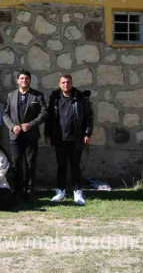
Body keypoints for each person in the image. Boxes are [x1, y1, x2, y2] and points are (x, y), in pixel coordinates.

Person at [45, 74, 93, 206]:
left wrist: (87, 133)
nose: (66, 85)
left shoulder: (80, 98)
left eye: (68, 82)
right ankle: (60, 191)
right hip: (59, 138)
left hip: (76, 138)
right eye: (63, 83)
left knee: (75, 166)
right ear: (59, 84)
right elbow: (49, 118)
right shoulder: (55, 98)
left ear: (71, 83)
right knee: (61, 166)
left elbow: (88, 117)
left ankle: (77, 192)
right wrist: (47, 135)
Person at [2, 70, 47, 199]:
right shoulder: (10, 96)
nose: (24, 81)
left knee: (30, 163)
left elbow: (44, 113)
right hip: (15, 136)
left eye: (26, 78)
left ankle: (29, 190)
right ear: (17, 81)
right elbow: (5, 114)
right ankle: (17, 190)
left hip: (31, 135)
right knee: (16, 163)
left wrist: (31, 124)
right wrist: (12, 126)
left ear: (30, 80)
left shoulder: (37, 96)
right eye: (21, 78)